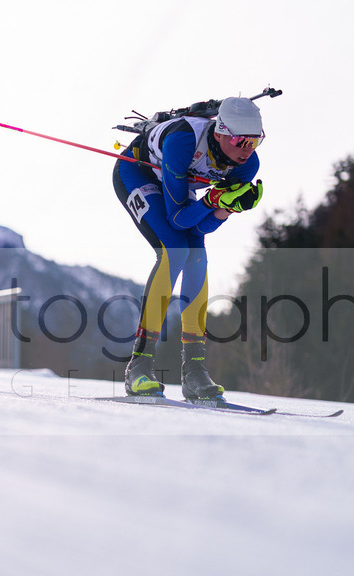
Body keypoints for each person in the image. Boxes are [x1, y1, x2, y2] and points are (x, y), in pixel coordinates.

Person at [112, 96, 265, 400]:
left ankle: (194, 371)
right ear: (219, 131)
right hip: (136, 173)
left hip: (177, 190)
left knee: (197, 256)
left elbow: (198, 227)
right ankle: (139, 367)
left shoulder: (248, 166)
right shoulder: (183, 140)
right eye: (240, 140)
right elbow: (179, 220)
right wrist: (212, 201)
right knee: (174, 250)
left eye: (255, 141)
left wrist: (225, 210)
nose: (246, 150)